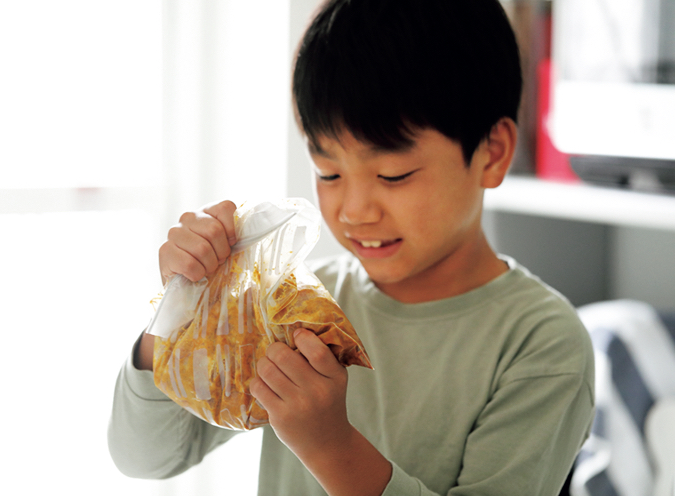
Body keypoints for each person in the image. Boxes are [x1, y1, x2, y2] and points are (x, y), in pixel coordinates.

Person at [108, 0, 595, 494]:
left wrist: (330, 447)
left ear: (492, 153)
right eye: (329, 173)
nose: (354, 210)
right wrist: (180, 310)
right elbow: (147, 457)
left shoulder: (541, 344)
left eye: (393, 174)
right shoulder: (298, 305)